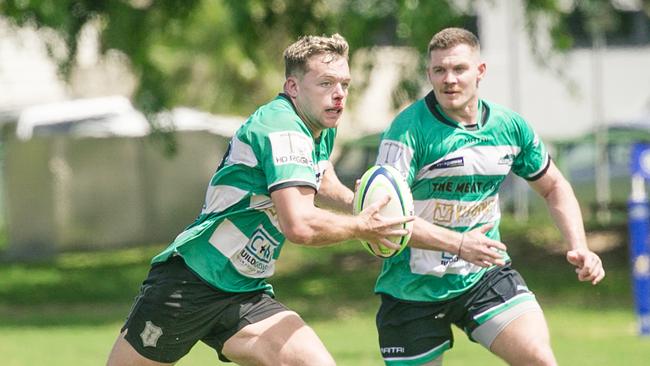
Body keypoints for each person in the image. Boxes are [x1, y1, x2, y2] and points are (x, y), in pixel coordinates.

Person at [107, 33, 412, 366]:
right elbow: (299, 224)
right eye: (326, 83)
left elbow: (320, 177)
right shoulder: (283, 129)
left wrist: (362, 204)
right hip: (192, 278)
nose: (339, 94)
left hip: (244, 291)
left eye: (344, 84)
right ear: (292, 87)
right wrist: (361, 226)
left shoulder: (317, 125)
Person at [371, 27, 605, 366]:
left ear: (480, 72)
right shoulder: (408, 131)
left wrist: (579, 245)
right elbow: (385, 222)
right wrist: (459, 244)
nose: (449, 79)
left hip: (482, 276)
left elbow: (554, 186)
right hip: (411, 289)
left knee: (540, 359)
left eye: (459, 69)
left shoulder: (510, 127)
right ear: (429, 74)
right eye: (439, 70)